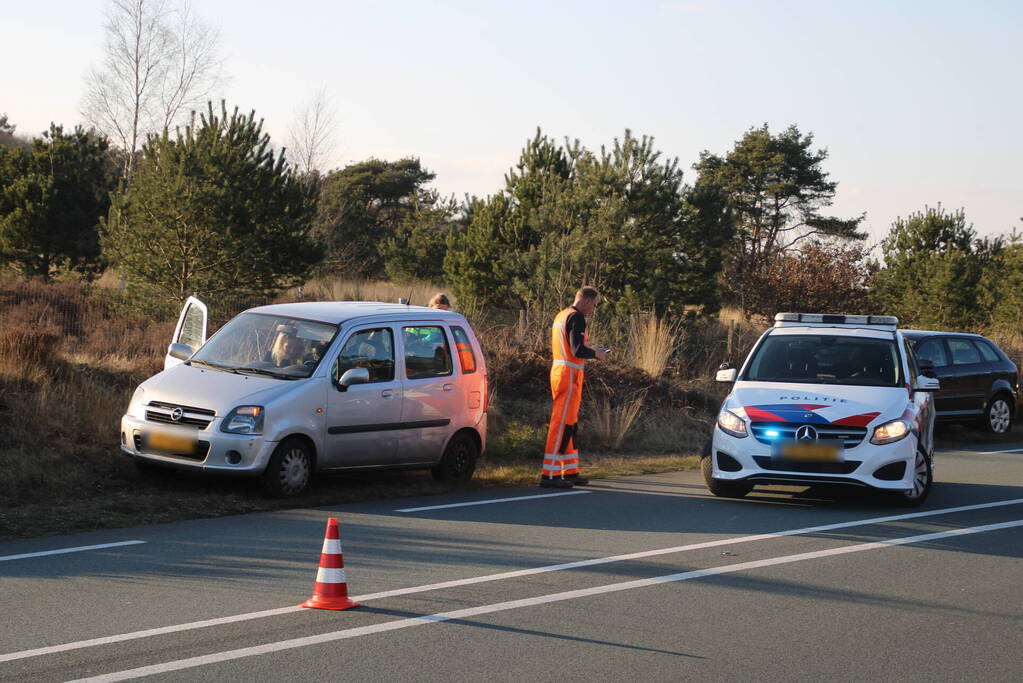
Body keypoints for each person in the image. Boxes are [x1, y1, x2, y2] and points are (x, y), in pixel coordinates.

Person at [540, 286, 610, 489]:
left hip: (562, 373)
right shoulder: (577, 317)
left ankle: (570, 471)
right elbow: (577, 349)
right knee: (562, 423)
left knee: (570, 423)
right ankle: (550, 475)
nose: (594, 309)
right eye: (595, 305)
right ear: (586, 301)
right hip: (568, 375)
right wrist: (596, 353)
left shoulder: (562, 314)